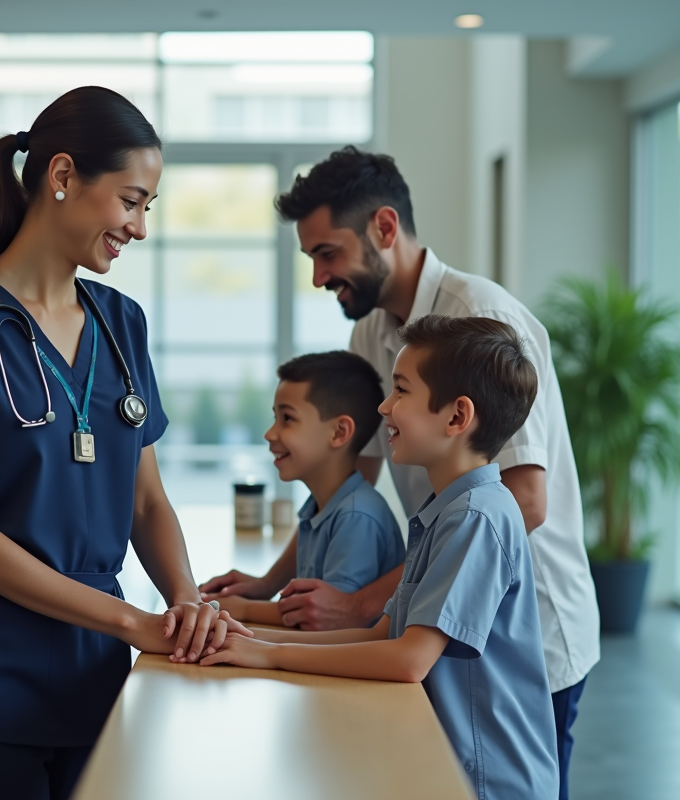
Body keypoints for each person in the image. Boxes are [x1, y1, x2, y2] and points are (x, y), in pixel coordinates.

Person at [201, 146, 599, 800]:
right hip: (432, 599)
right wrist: (270, 589)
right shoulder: (373, 333)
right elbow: (344, 481)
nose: (319, 277)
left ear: (384, 229)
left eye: (327, 254)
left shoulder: (481, 320)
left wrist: (355, 604)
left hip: (525, 628)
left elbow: (526, 499)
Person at [0, 86, 248, 800]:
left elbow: (146, 502)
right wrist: (132, 620)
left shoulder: (122, 323)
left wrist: (186, 606)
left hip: (92, 675)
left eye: (148, 208)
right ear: (61, 177)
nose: (139, 227)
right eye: (131, 200)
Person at [202, 315, 559, 800]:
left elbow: (409, 660)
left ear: (456, 417)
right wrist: (245, 636)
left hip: (485, 780)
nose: (384, 406)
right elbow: (379, 635)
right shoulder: (446, 510)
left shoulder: (477, 516)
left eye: (401, 391)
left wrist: (268, 655)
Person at [211, 352, 404, 626]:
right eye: (275, 417)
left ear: (339, 432)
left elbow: (324, 622)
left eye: (287, 418)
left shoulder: (356, 516)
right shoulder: (321, 505)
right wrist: (258, 591)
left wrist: (240, 609)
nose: (270, 433)